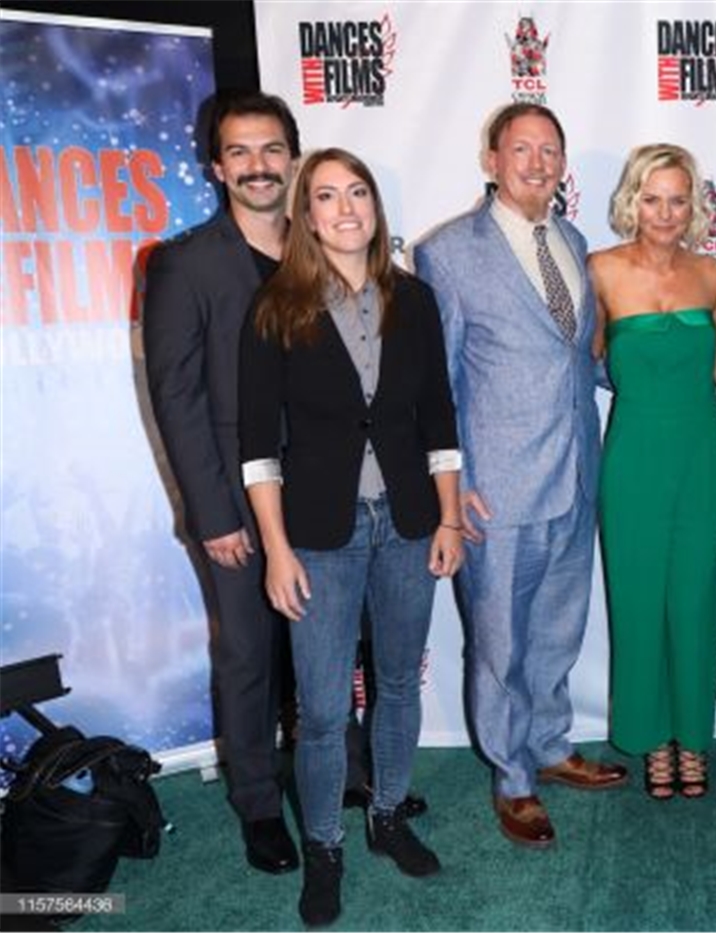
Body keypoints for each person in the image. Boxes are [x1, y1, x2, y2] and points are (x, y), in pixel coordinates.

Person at [239, 148, 462, 927]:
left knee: (398, 684)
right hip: (317, 535)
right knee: (324, 709)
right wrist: (276, 550)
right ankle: (325, 844)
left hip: (407, 524)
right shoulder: (276, 307)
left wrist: (450, 517)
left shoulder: (416, 301)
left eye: (357, 192)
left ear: (375, 205)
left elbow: (440, 418)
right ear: (305, 214)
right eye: (327, 196)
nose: (345, 209)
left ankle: (388, 814)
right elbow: (258, 447)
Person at [414, 103, 627, 849]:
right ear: (492, 160)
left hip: (576, 471)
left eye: (550, 151)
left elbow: (581, 360)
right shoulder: (447, 254)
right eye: (522, 149)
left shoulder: (573, 241)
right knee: (500, 643)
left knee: (558, 629)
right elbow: (436, 385)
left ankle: (548, 744)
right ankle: (512, 778)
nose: (538, 163)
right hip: (496, 488)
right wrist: (454, 484)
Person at [143, 90, 302, 876]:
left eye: (270, 149)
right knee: (248, 653)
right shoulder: (184, 262)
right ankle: (259, 804)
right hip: (235, 494)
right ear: (216, 167)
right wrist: (213, 513)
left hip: (329, 484)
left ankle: (340, 771)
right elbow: (176, 396)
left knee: (327, 644)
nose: (257, 165)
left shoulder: (323, 243)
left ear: (293, 159)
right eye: (239, 151)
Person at [589, 143, 716, 800]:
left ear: (693, 206)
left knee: (696, 599)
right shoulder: (600, 269)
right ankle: (651, 736)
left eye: (678, 199)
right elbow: (583, 359)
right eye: (652, 198)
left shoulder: (712, 275)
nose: (666, 212)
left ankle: (693, 737)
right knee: (638, 599)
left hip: (703, 455)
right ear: (632, 201)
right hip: (633, 458)